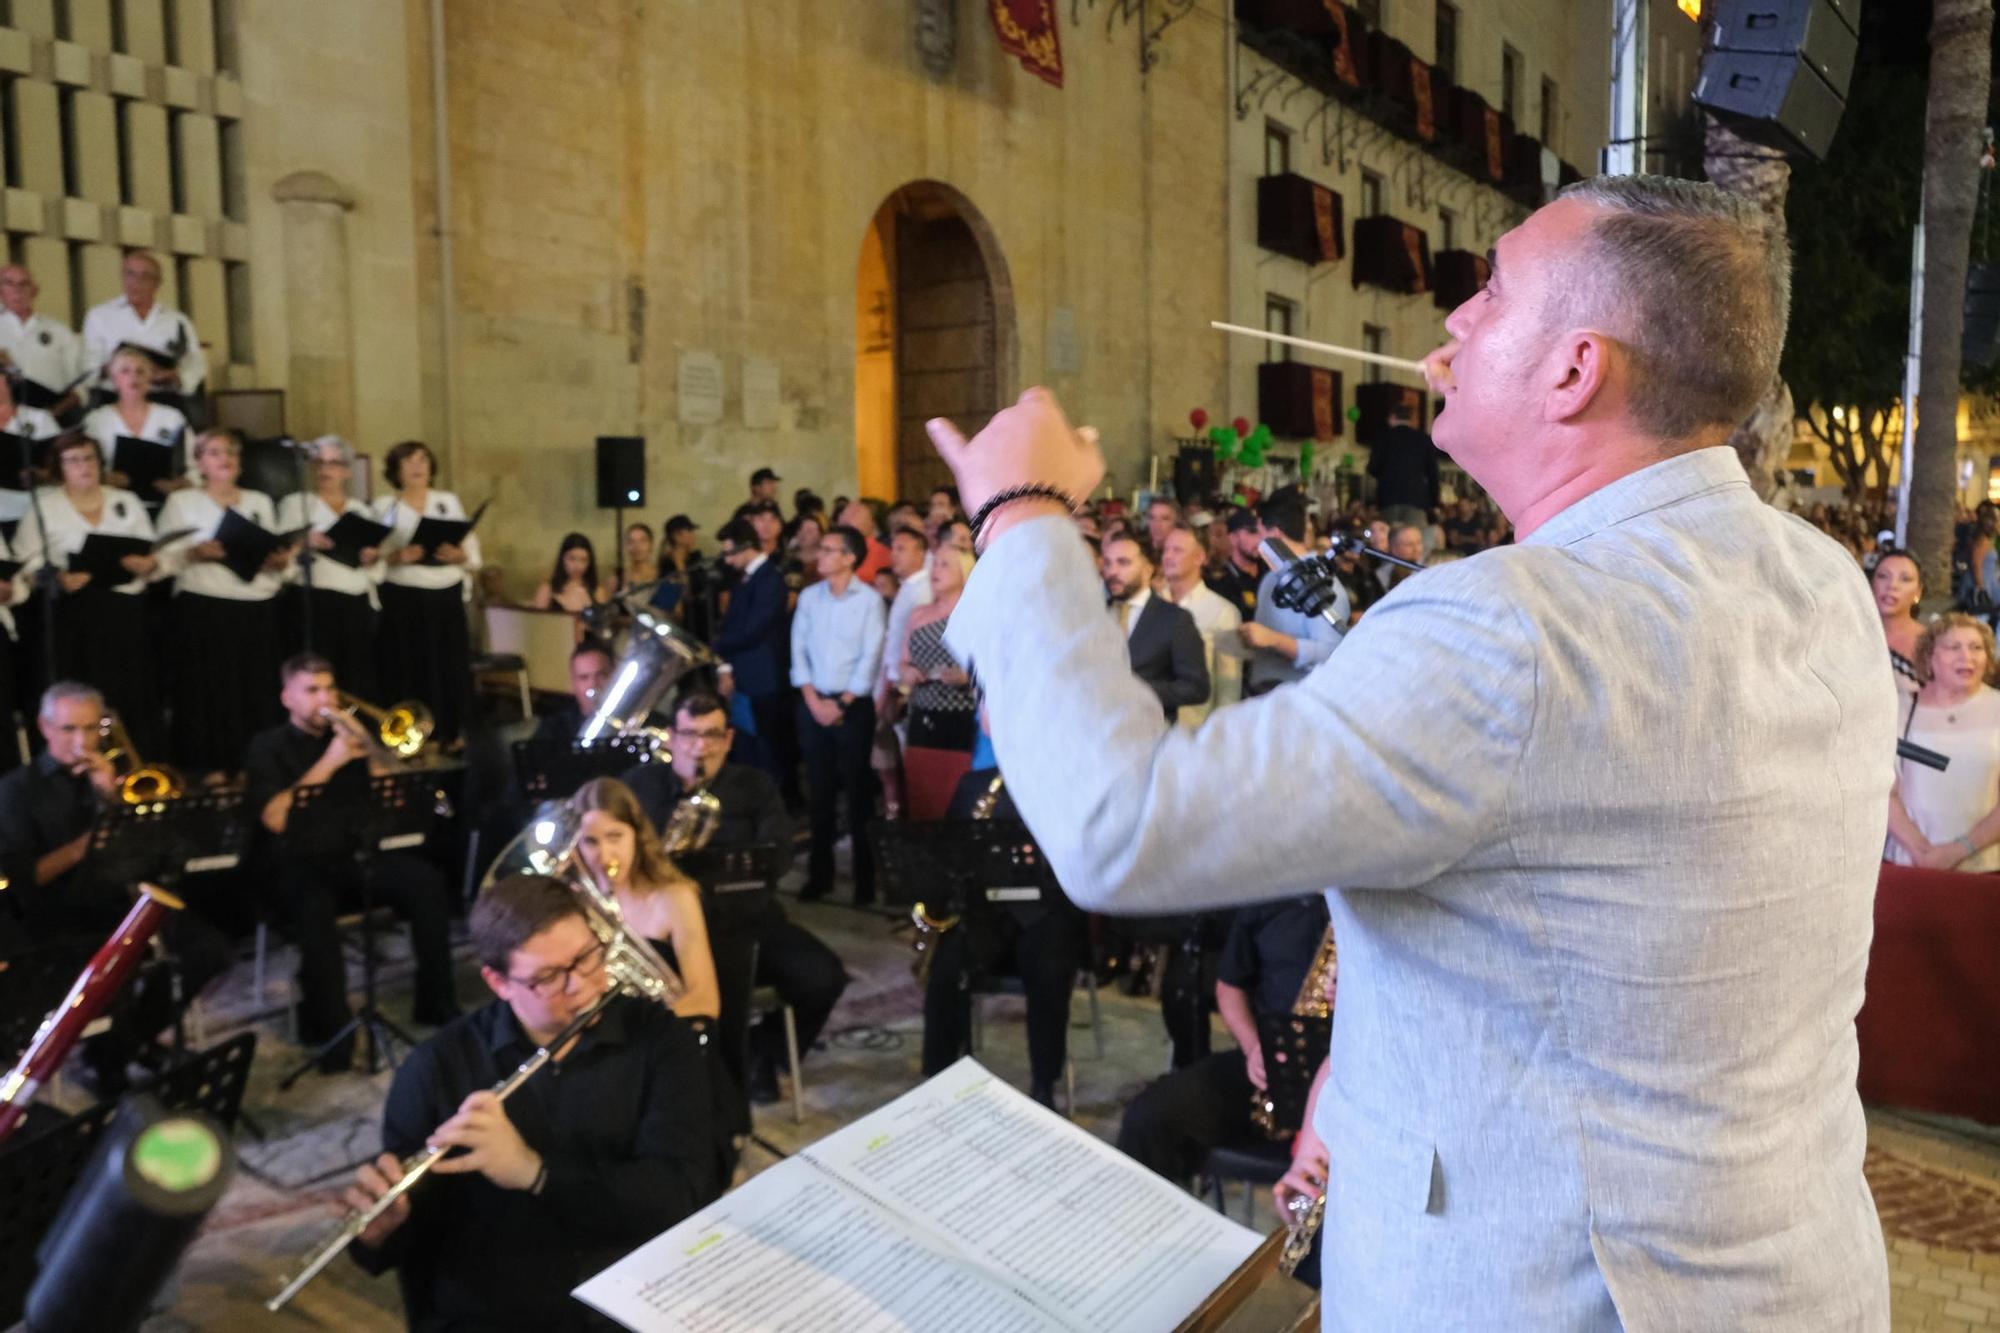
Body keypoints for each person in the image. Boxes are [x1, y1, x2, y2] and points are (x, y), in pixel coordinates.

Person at [926, 176, 1891, 1327]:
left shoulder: (1510, 629)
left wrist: (1023, 514)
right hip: (1783, 1266)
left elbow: (1118, 827)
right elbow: (1621, 910)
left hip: (1544, 1287)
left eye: (1490, 291)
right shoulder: (1815, 576)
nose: (1454, 323)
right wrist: (1376, 1064)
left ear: (1574, 369)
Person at [344, 872, 726, 1331]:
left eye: (588, 957)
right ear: (498, 982)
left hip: (627, 1301)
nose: (582, 986)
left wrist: (534, 1172)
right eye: (548, 977)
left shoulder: (661, 1042)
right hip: (495, 1314)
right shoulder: (435, 1069)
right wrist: (379, 1234)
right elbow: (412, 1252)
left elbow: (677, 1198)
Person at [0, 681, 230, 1091]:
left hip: (120, 899)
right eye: (70, 730)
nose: (82, 741)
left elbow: (155, 842)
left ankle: (120, 1046)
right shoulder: (17, 790)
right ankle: (112, 1070)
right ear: (44, 727)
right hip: (60, 913)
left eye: (91, 730)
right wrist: (84, 845)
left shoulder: (111, 776)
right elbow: (26, 880)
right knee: (116, 972)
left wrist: (113, 800)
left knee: (208, 951)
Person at [621, 691, 847, 1106]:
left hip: (747, 918)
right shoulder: (641, 786)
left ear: (727, 739)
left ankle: (766, 1050)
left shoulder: (754, 786)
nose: (700, 747)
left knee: (824, 976)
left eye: (711, 736)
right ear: (671, 737)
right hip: (668, 930)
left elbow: (778, 856)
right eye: (690, 735)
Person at [243, 654, 459, 1069]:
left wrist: (373, 751)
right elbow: (274, 817)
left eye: (329, 688)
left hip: (352, 853)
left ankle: (436, 1003)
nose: (325, 699)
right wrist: (331, 761)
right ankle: (334, 1032)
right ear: (287, 698)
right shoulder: (268, 747)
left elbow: (393, 799)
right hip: (295, 864)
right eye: (312, 690)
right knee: (314, 909)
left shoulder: (349, 738)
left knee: (426, 882)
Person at [1116, 895, 1330, 1182]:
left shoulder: (1376, 898)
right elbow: (1229, 988)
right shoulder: (1273, 894)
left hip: (1351, 1083)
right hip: (1268, 1065)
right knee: (1147, 1120)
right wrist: (1253, 1047)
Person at [920, 765, 1084, 1108]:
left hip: (1044, 910)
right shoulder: (974, 783)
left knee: (1049, 971)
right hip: (984, 912)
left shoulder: (1066, 782)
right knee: (947, 967)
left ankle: (1044, 1084)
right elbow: (949, 850)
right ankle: (939, 1077)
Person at [15, 434, 164, 754]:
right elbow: (26, 562)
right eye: (74, 460)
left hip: (121, 609)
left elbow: (149, 551)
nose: (84, 466)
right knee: (80, 687)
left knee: (126, 687)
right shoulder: (45, 506)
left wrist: (144, 563)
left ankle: (130, 761)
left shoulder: (125, 500)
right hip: (73, 612)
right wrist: (56, 576)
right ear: (59, 468)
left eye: (90, 458)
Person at [156, 429, 291, 775]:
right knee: (208, 691)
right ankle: (210, 767)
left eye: (231, 452)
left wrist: (278, 561)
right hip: (205, 605)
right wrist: (194, 552)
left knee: (255, 689)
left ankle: (255, 765)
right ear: (199, 463)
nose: (225, 459)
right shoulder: (182, 502)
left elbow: (273, 552)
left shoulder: (258, 502)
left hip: (255, 606)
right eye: (214, 453)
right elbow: (162, 559)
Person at [568, 777, 720, 1021]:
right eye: (590, 841)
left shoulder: (676, 898)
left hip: (667, 1035)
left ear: (636, 836)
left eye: (615, 836)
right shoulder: (571, 906)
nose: (604, 855)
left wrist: (636, 1037)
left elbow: (706, 1000)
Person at [790, 524, 885, 904]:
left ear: (849, 558)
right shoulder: (811, 598)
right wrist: (813, 700)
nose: (821, 556)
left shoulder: (869, 601)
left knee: (859, 795)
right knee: (820, 793)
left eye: (830, 550)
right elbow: (798, 651)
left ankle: (865, 880)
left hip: (853, 707)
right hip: (814, 703)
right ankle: (820, 875)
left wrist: (843, 703)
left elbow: (871, 656)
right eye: (821, 549)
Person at [374, 441, 480, 747]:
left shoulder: (447, 501)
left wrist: (457, 554)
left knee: (449, 665)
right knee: (410, 664)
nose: (418, 466)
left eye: (423, 460)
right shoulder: (385, 507)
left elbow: (471, 549)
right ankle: (413, 734)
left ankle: (452, 733)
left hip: (444, 594)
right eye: (409, 461)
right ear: (397, 470)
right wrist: (398, 556)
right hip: (404, 597)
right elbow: (373, 555)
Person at [1887, 613, 2000, 872]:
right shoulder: (1901, 707)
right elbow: (1883, 789)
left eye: (1976, 648)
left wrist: (1958, 850)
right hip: (1907, 862)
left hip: (1983, 867)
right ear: (1930, 657)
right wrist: (1921, 851)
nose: (1967, 657)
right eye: (1953, 647)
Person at [275, 435, 383, 701]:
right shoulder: (296, 503)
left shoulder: (360, 510)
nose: (326, 470)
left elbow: (374, 566)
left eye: (334, 463)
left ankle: (354, 734)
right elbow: (280, 557)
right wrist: (303, 542)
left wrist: (372, 557)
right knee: (317, 673)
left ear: (346, 470)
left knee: (356, 673)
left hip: (355, 602)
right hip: (314, 601)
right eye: (320, 463)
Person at [710, 517, 795, 799]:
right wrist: (723, 665)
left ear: (747, 547)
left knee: (768, 748)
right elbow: (731, 623)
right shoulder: (743, 580)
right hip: (744, 676)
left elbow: (754, 629)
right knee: (748, 746)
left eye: (730, 552)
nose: (728, 560)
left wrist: (717, 646)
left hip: (764, 678)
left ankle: (774, 802)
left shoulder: (771, 580)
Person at [898, 545, 978, 819]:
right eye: (934, 564)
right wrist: (907, 672)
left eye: (945, 565)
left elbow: (996, 666)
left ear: (963, 571)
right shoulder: (918, 614)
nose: (936, 570)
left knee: (957, 795)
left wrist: (969, 677)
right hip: (922, 713)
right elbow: (903, 661)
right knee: (922, 795)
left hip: (962, 716)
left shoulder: (976, 613)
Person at [1240, 492, 1346, 697]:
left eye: (1261, 534)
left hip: (1301, 702)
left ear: (1275, 536)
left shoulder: (1323, 583)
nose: (1257, 542)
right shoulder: (1271, 578)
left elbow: (1331, 652)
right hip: (1262, 696)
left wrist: (1274, 639)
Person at [1101, 532, 1208, 723]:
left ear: (1148, 569)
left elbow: (1196, 688)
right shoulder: (1094, 613)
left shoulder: (1174, 619)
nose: (1112, 572)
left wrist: (1134, 689)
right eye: (1108, 563)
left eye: (1123, 563)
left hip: (1148, 732)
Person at [80, 251, 206, 406]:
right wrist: (120, 368)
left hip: (164, 398)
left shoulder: (177, 320)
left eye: (145, 276)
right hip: (114, 399)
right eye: (130, 274)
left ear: (157, 283)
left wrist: (174, 376)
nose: (136, 281)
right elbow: (89, 366)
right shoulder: (100, 315)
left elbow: (195, 364)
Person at [79, 345, 189, 508]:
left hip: (163, 503)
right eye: (125, 371)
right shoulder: (96, 420)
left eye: (140, 371)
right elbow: (82, 465)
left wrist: (182, 482)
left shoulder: (172, 417)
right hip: (111, 503)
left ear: (150, 378)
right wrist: (102, 478)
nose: (133, 377)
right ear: (114, 379)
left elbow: (191, 462)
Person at [1157, 523, 1242, 728]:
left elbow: (1229, 686)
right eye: (1166, 550)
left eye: (1177, 550)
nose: (1168, 556)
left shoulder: (1223, 612)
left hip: (1194, 728)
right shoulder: (1150, 603)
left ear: (1199, 557)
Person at [0, 265, 88, 418]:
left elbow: (80, 387)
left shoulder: (59, 331)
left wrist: (53, 414)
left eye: (24, 284)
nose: (17, 290)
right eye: (9, 283)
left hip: (52, 417)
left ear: (34, 290)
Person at [1366, 396, 1439, 531]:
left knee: (1390, 541)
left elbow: (1372, 468)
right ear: (1410, 418)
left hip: (1388, 500)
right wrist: (1434, 502)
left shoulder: (1383, 438)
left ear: (1392, 417)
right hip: (1416, 501)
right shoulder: (1423, 439)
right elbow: (1433, 473)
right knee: (1412, 541)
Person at [1872, 548, 1924, 692]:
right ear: (1871, 584)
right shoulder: (1847, 637)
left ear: (1918, 592)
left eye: (1905, 579)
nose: (1892, 586)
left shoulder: (1932, 644)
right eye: (1883, 576)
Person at [1205, 506, 1263, 622]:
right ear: (1233, 538)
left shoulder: (1272, 573)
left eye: (1263, 532)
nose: (1260, 539)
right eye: (1252, 532)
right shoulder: (1220, 582)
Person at [531, 532, 610, 613]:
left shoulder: (597, 591)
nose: (578, 566)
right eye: (572, 559)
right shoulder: (547, 590)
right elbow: (537, 622)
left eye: (583, 560)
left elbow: (602, 623)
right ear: (562, 559)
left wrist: (587, 605)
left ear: (589, 562)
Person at [838, 497, 893, 584]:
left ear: (873, 522)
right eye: (844, 513)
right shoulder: (837, 546)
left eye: (854, 514)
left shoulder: (883, 551)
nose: (843, 518)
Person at [1375, 522, 1426, 595]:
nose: (1417, 549)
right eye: (1409, 545)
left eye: (1419, 542)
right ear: (1394, 548)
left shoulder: (1431, 567)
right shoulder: (1381, 575)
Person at [617, 520, 658, 594]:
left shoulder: (663, 576)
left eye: (642, 541)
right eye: (631, 542)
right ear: (626, 547)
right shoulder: (618, 579)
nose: (637, 547)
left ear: (651, 545)